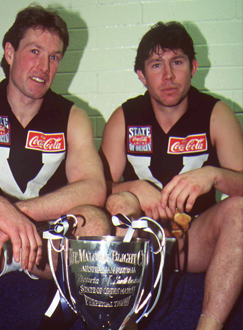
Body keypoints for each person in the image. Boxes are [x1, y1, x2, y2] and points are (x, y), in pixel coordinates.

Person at [100, 21, 243, 330]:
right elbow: (95, 190)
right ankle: (124, 323)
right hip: (141, 244)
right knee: (120, 201)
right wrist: (134, 188)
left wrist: (213, 175)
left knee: (241, 211)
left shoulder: (216, 113)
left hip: (193, 242)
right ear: (141, 75)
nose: (167, 76)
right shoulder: (124, 117)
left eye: (176, 62)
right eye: (156, 65)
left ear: (192, 67)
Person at [0, 4, 111, 281]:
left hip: (45, 237)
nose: (44, 67)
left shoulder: (73, 116)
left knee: (95, 221)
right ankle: (4, 261)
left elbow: (94, 187)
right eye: (34, 51)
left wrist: (17, 214)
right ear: (10, 53)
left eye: (54, 56)